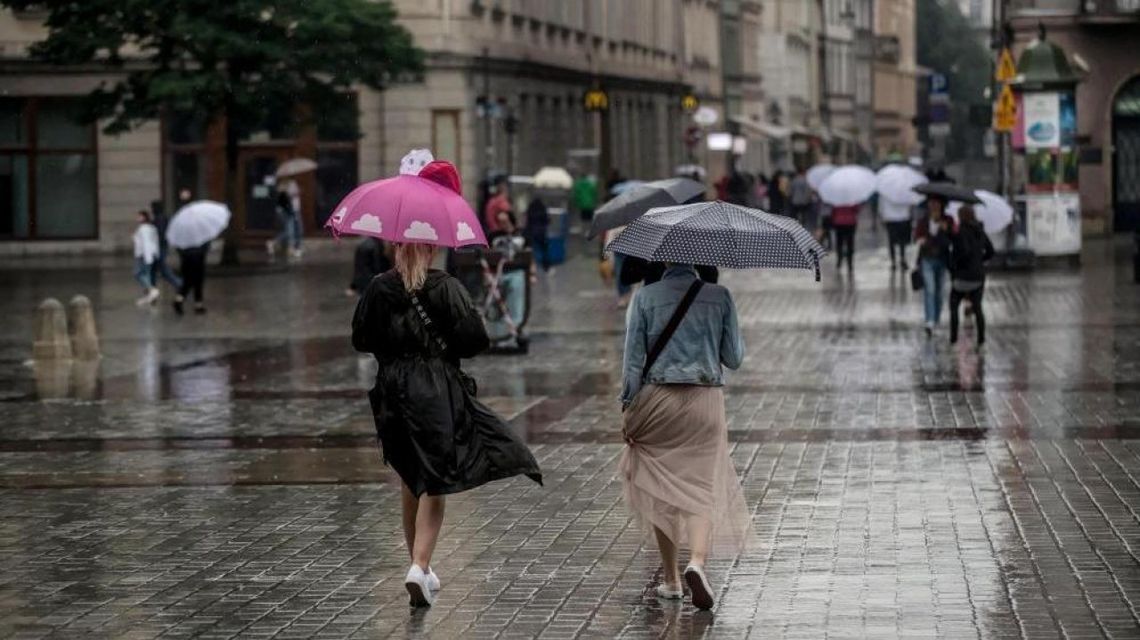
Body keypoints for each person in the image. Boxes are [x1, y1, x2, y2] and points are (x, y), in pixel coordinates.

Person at [352, 241, 543, 608]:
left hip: (391, 390)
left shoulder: (379, 287)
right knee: (437, 477)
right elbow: (475, 340)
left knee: (411, 475)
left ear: (395, 247)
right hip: (434, 387)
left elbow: (361, 338)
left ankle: (419, 565)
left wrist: (393, 346)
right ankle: (419, 565)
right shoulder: (445, 287)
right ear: (432, 249)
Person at [620, 264, 750, 610]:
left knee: (661, 489)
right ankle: (697, 562)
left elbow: (632, 364)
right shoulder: (719, 297)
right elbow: (734, 358)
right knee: (701, 486)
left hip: (659, 399)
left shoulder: (644, 297)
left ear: (662, 260)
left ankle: (671, 579)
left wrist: (628, 408)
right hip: (705, 399)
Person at [948, 205, 994, 347]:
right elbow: (991, 251)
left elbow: (962, 252)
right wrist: (980, 260)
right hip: (978, 276)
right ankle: (981, 339)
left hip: (961, 276)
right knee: (978, 307)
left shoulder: (959, 232)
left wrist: (953, 264)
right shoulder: (980, 231)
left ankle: (954, 338)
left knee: (954, 305)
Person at [914, 196, 953, 337]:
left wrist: (946, 230)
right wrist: (921, 240)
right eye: (931, 203)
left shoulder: (948, 220)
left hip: (942, 259)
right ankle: (929, 320)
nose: (934, 206)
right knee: (929, 289)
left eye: (936, 203)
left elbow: (952, 237)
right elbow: (917, 236)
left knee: (940, 292)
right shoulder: (924, 221)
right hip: (927, 258)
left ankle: (936, 319)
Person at [150, 201, 183, 293]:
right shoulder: (162, 218)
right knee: (156, 268)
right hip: (161, 246)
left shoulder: (160, 218)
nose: (152, 210)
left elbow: (160, 233)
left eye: (153, 208)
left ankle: (180, 284)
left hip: (159, 246)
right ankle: (152, 288)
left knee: (160, 268)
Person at [268, 180, 303, 261]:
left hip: (295, 210)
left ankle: (296, 248)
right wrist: (291, 193)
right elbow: (283, 197)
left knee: (299, 230)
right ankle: (291, 248)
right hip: (288, 211)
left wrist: (297, 192)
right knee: (290, 231)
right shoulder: (283, 184)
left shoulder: (293, 182)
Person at [132, 210, 161, 306]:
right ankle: (150, 295)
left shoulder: (143, 228)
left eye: (139, 216)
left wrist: (147, 257)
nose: (137, 218)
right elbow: (155, 242)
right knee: (147, 274)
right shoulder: (152, 228)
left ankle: (152, 290)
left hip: (143, 254)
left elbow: (145, 243)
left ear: (144, 217)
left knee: (138, 273)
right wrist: (156, 254)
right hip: (150, 254)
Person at [880, 197, 913, 271]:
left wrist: (882, 215)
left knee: (892, 240)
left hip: (890, 217)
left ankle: (894, 261)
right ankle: (901, 259)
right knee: (902, 240)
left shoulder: (885, 190)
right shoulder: (903, 191)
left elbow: (881, 204)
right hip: (902, 216)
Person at [525, 195, 551, 272]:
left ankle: (531, 265)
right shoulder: (542, 208)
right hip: (541, 232)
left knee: (531, 249)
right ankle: (546, 266)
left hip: (532, 232)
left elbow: (528, 221)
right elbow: (546, 220)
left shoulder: (531, 208)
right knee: (544, 250)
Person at [831, 203, 859, 274]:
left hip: (839, 222)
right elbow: (856, 210)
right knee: (850, 243)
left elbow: (833, 210)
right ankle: (850, 263)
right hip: (850, 222)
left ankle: (839, 260)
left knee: (839, 242)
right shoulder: (852, 200)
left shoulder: (836, 200)